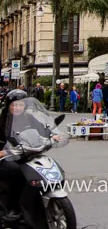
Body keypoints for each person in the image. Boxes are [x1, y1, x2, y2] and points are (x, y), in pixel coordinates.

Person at [0, 90, 61, 228]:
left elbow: (42, 128)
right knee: (15, 172)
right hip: (8, 156)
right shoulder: (3, 119)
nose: (17, 108)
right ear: (8, 105)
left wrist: (53, 134)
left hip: (27, 153)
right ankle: (12, 207)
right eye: (14, 105)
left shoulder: (28, 117)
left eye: (20, 105)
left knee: (41, 166)